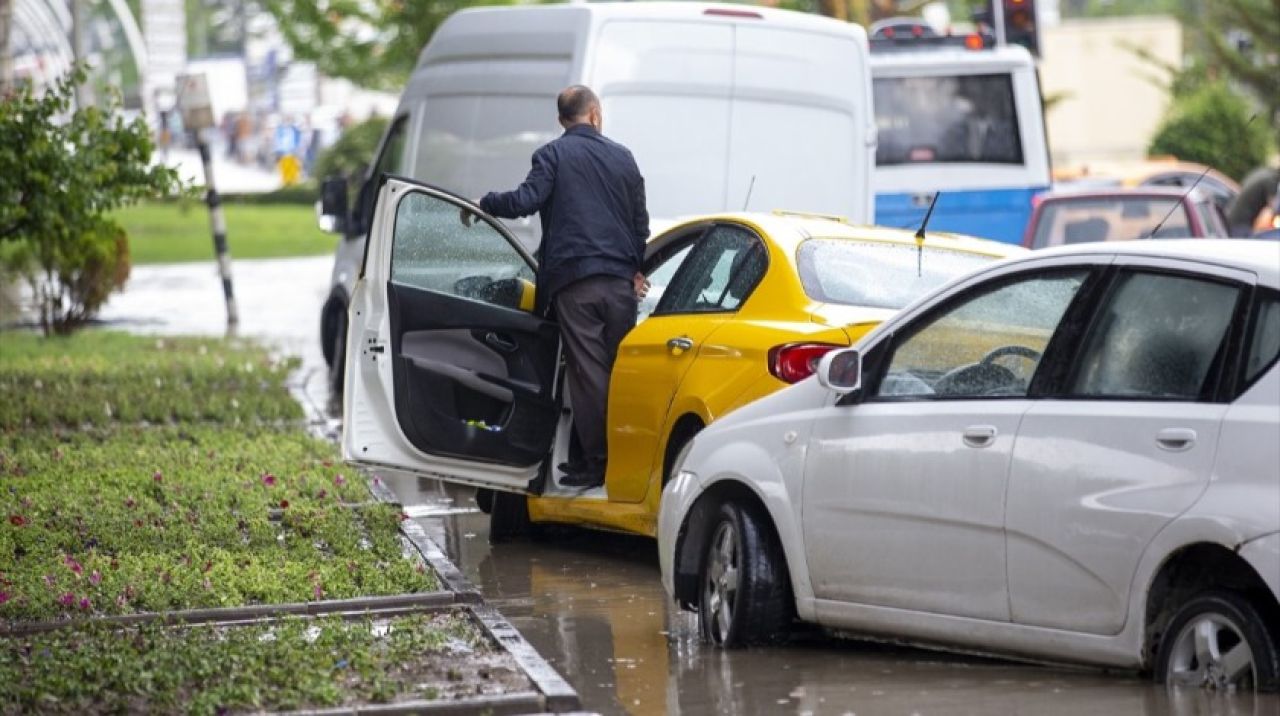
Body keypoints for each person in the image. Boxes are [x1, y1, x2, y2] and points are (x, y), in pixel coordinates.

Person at [464, 85, 649, 489]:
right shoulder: (624, 158)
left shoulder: (552, 155)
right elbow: (640, 223)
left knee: (589, 375)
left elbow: (527, 199)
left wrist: (486, 203)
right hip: (620, 285)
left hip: (575, 284)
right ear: (595, 114)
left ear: (562, 119)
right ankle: (624, 457)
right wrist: (637, 269)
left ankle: (597, 463)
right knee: (619, 372)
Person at [1226, 165, 1279, 236]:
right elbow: (1272, 207)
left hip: (1232, 218)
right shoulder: (1271, 180)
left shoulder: (1261, 172)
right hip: (1242, 224)